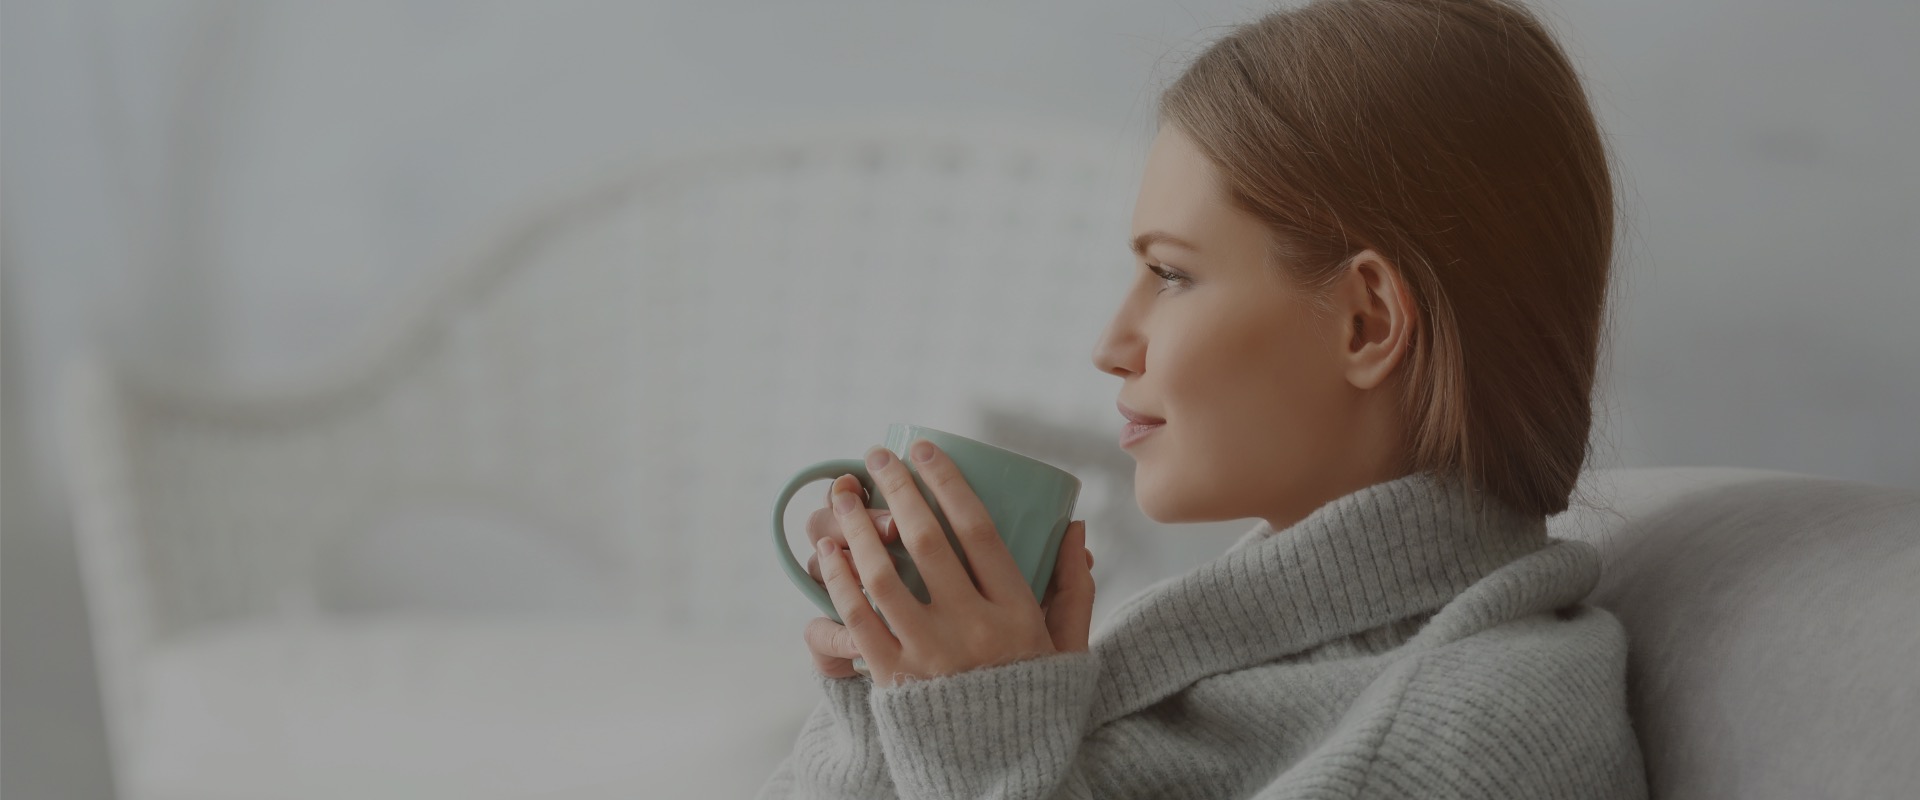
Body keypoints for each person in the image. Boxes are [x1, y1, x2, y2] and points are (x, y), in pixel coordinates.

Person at [757, 0, 1648, 796]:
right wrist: (892, 701)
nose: (1110, 347)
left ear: (1367, 324)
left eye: (1172, 274)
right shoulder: (1231, 639)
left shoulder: (1469, 737)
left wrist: (980, 743)